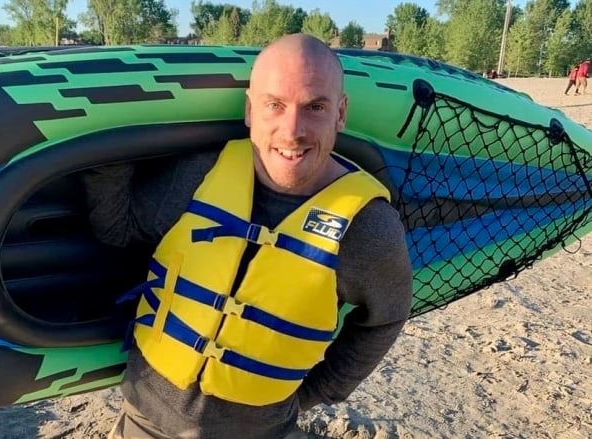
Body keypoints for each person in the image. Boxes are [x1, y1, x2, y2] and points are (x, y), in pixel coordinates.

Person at [81, 33, 413, 439]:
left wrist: (321, 390)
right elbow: (119, 227)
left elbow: (387, 316)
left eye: (315, 107)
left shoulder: (368, 225)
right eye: (275, 105)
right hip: (142, 420)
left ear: (340, 113)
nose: (293, 131)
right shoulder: (199, 174)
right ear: (250, 110)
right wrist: (104, 144)